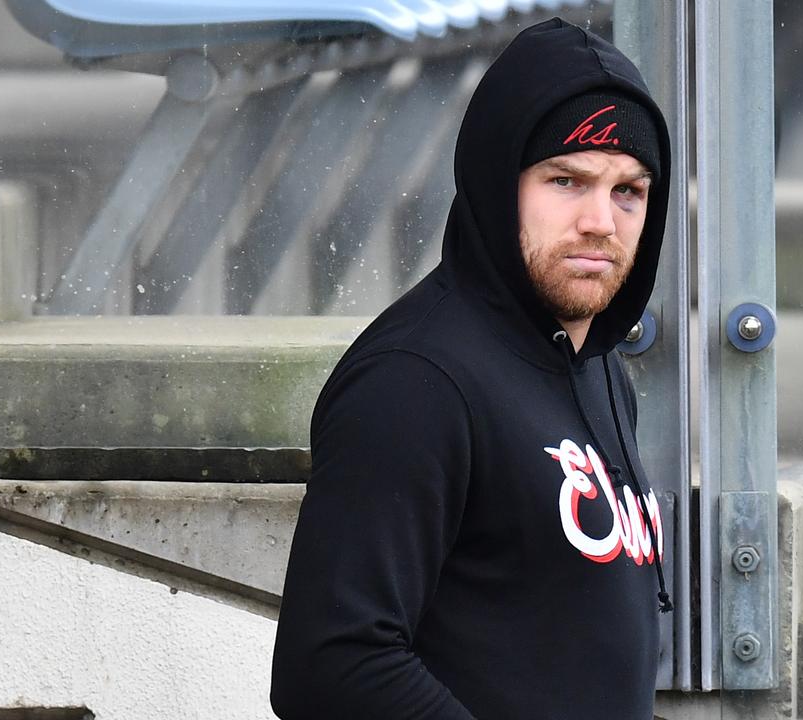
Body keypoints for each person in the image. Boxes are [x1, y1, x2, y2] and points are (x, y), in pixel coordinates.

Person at [271, 16, 672, 720]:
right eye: (566, 180)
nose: (601, 222)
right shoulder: (415, 383)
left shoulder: (595, 367)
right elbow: (331, 664)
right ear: (497, 181)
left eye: (628, 191)